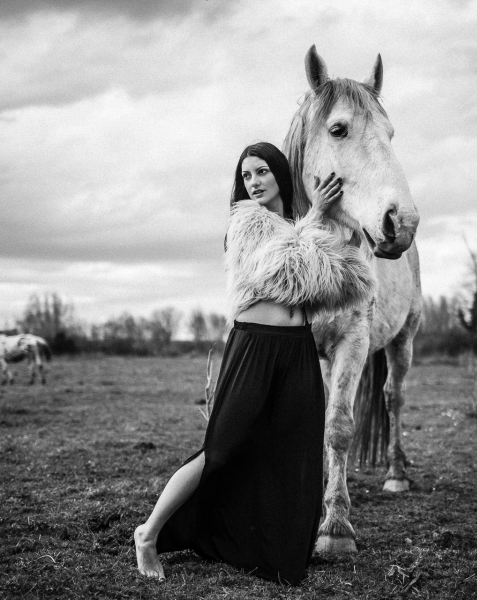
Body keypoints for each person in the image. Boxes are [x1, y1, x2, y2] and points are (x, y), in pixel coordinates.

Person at [134, 142, 375, 585]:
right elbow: (283, 269)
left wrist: (350, 241)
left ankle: (278, 546)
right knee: (221, 449)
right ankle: (148, 533)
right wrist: (318, 217)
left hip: (298, 347)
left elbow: (334, 288)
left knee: (294, 451)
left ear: (281, 175)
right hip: (255, 347)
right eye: (246, 176)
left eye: (262, 172)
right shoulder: (246, 222)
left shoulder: (299, 226)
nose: (254, 182)